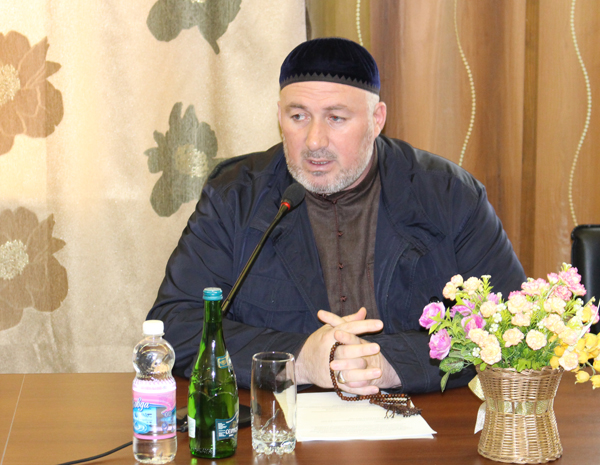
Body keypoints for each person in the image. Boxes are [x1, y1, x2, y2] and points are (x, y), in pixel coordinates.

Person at [147, 37, 526, 395]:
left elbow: (511, 326)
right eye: (298, 116)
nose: (314, 141)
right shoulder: (236, 196)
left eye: (336, 118)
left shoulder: (448, 195)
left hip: (422, 418)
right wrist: (298, 361)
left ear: (377, 119)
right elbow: (177, 326)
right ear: (279, 117)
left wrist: (391, 363)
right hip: (278, 419)